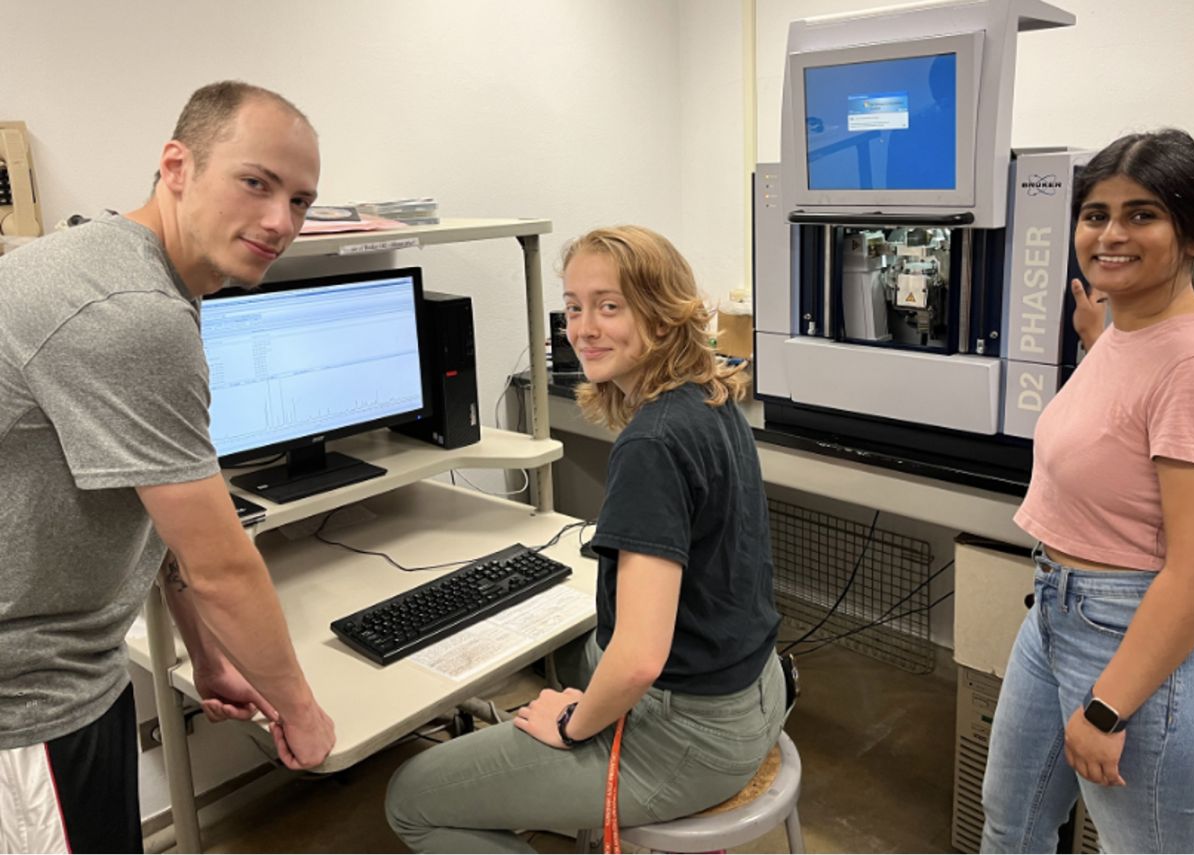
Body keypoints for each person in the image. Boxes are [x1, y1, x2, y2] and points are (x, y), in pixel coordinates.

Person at [0, 81, 335, 853]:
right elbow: (221, 565)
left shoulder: (113, 260)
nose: (280, 221)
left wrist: (208, 658)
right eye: (256, 183)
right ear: (177, 166)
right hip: (29, 696)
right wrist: (303, 713)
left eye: (302, 200)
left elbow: (156, 512)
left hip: (73, 667)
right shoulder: (133, 312)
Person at [385, 225, 786, 853]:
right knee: (575, 655)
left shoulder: (652, 443)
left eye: (609, 305)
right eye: (574, 307)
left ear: (660, 315)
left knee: (411, 799)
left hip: (695, 738)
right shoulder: (708, 399)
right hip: (757, 692)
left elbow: (640, 660)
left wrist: (574, 725)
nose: (582, 328)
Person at [981, 128, 1194, 853]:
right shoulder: (1126, 326)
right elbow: (1130, 416)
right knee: (1010, 820)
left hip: (1148, 648)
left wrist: (1108, 708)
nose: (1110, 233)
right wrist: (1095, 337)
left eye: (1142, 214)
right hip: (1058, 611)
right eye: (1095, 214)